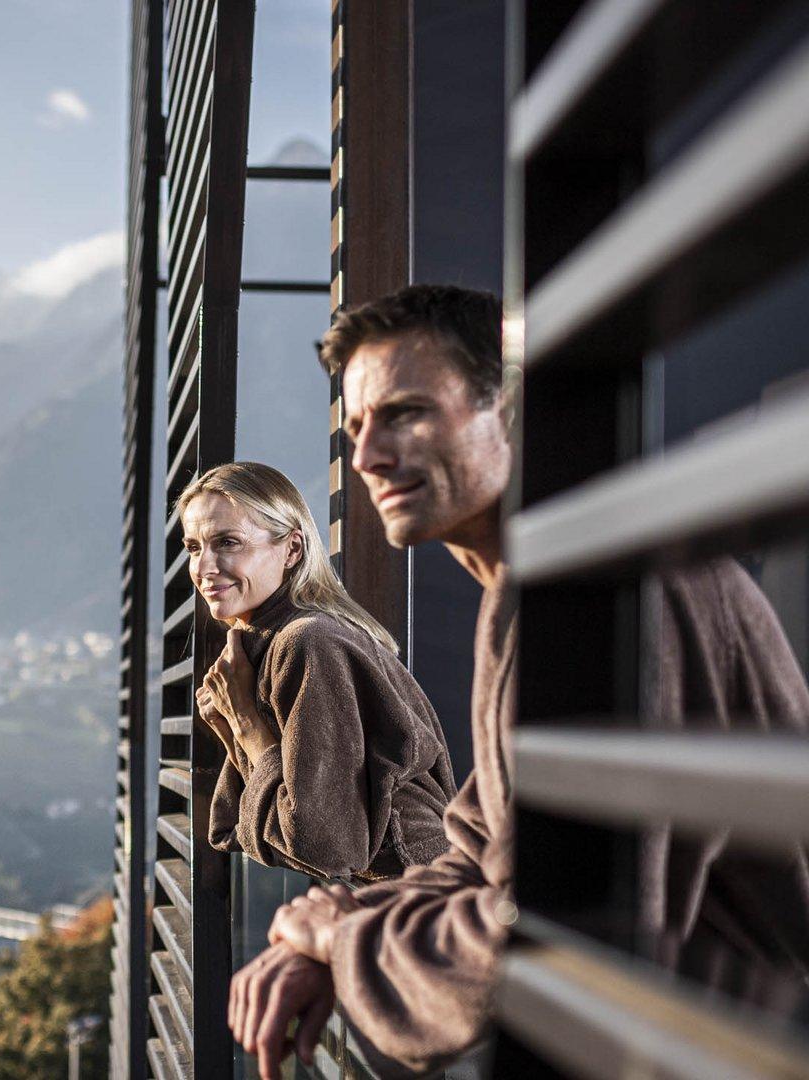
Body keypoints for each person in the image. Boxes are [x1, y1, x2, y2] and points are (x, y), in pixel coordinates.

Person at [226, 284, 809, 1079]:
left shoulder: (604, 594)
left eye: (405, 413)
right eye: (357, 428)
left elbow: (558, 932)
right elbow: (483, 852)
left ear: (507, 406)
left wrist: (341, 937)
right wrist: (341, 923)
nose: (366, 458)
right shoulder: (531, 593)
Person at [179, 462, 455, 881]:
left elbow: (325, 848)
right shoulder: (270, 644)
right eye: (194, 548)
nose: (204, 568)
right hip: (405, 892)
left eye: (228, 542)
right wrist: (229, 724)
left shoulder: (308, 641)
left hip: (422, 895)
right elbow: (247, 824)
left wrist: (245, 722)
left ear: (292, 549)